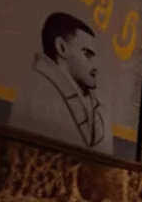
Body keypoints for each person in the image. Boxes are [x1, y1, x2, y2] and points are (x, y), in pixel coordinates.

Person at [13, 13, 110, 153]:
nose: (96, 67)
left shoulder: (95, 106)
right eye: (87, 55)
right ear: (61, 47)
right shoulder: (36, 95)